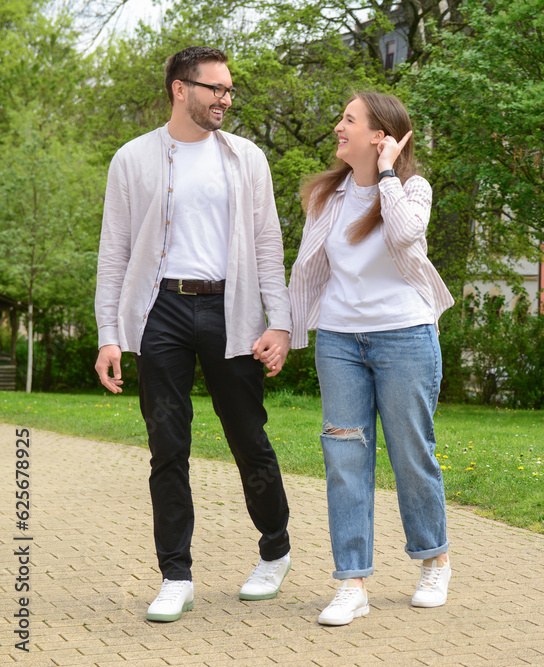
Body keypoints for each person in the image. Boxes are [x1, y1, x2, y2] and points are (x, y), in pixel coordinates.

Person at [94, 46, 293, 623]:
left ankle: (274, 548)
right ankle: (175, 573)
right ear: (181, 89)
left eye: (230, 91)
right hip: (161, 312)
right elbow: (115, 253)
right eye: (216, 89)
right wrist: (111, 333)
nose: (226, 99)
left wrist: (277, 322)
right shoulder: (132, 159)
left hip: (230, 308)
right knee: (167, 446)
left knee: (247, 436)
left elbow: (266, 245)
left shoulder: (247, 158)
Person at [288, 91, 455, 626]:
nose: (338, 127)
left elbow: (407, 235)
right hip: (339, 340)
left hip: (403, 335)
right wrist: (285, 330)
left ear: (380, 135)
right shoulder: (327, 196)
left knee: (411, 453)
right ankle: (351, 582)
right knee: (344, 459)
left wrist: (386, 175)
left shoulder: (411, 189)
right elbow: (307, 271)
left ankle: (434, 560)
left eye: (349, 120)